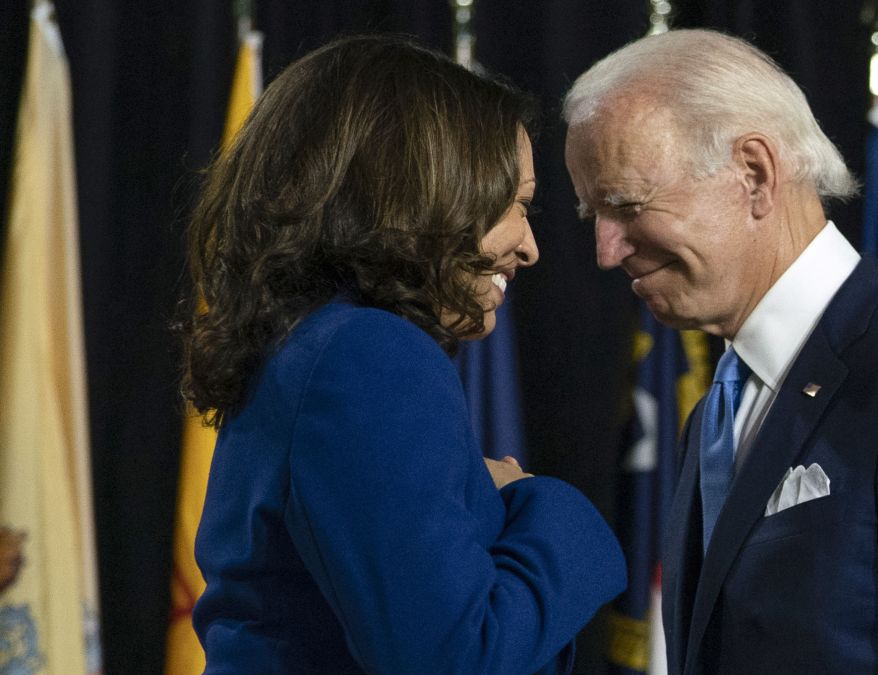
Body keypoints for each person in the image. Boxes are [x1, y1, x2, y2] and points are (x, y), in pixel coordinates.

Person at [564, 29, 878, 674]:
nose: (606, 251)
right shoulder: (716, 412)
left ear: (753, 174)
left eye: (626, 205)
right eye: (594, 217)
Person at [180, 35, 625, 674]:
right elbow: (455, 660)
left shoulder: (309, 342)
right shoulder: (368, 357)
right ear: (426, 190)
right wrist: (540, 505)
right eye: (517, 205)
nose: (529, 247)